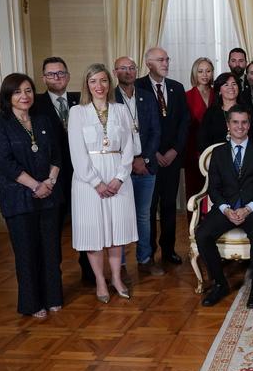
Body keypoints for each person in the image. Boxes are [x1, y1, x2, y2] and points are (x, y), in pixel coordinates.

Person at [0, 73, 63, 318]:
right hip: (19, 199)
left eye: (28, 90)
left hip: (49, 195)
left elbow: (57, 155)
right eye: (18, 91)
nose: (24, 96)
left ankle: (53, 297)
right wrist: (35, 186)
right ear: (8, 96)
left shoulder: (42, 121)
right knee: (27, 253)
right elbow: (6, 163)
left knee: (51, 251)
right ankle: (32, 304)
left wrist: (49, 182)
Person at [68, 63, 138, 303]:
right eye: (93, 81)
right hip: (88, 182)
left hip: (118, 177)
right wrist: (96, 182)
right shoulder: (78, 112)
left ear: (110, 83)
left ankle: (117, 278)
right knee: (94, 232)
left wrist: (119, 178)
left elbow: (129, 147)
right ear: (87, 85)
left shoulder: (120, 110)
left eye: (103, 81)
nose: (99, 86)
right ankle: (100, 281)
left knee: (116, 231)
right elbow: (77, 152)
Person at [194, 105, 253, 309]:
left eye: (244, 122)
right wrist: (226, 209)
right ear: (228, 125)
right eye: (235, 122)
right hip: (227, 208)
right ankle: (220, 284)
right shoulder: (218, 153)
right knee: (202, 234)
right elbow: (214, 188)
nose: (240, 126)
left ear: (249, 124)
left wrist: (248, 208)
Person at [33, 57, 90, 282]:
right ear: (43, 77)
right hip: (52, 176)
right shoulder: (35, 104)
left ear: (67, 75)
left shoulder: (81, 100)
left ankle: (89, 272)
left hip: (82, 174)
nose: (57, 77)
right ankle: (53, 280)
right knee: (52, 231)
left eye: (61, 73)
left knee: (85, 224)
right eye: (51, 74)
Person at [136, 47, 190, 265]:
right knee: (148, 208)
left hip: (172, 158)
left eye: (167, 59)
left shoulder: (177, 88)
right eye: (160, 60)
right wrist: (153, 153)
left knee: (169, 205)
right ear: (148, 63)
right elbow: (136, 125)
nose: (166, 63)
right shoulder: (138, 87)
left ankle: (169, 250)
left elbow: (184, 122)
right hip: (149, 159)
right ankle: (148, 252)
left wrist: (175, 150)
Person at [114, 56, 163, 276]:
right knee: (121, 216)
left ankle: (145, 258)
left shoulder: (146, 97)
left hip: (146, 166)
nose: (128, 71)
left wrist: (145, 159)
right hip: (119, 170)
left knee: (144, 215)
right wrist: (129, 162)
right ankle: (121, 264)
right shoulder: (109, 98)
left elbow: (155, 131)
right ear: (115, 72)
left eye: (131, 68)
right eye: (123, 68)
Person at [185, 57, 216, 212]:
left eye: (208, 71)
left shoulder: (218, 94)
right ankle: (194, 231)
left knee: (215, 190)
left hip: (216, 149)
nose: (205, 75)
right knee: (194, 190)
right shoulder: (186, 96)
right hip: (193, 150)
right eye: (200, 71)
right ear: (194, 73)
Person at [198, 72, 243, 151]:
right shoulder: (211, 113)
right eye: (226, 85)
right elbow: (202, 141)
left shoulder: (247, 111)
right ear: (219, 90)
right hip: (216, 158)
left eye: (234, 84)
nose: (231, 87)